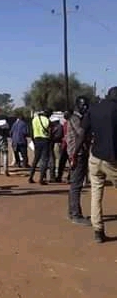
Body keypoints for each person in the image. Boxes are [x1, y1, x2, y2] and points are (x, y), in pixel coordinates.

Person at [75, 87, 117, 243]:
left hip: (95, 157)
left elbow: (82, 133)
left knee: (96, 194)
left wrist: (74, 153)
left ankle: (98, 231)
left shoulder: (94, 109)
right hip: (112, 160)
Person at [66, 96, 91, 226]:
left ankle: (72, 212)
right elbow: (82, 134)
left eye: (87, 105)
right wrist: (74, 155)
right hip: (77, 154)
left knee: (74, 184)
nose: (85, 107)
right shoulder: (76, 119)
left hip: (77, 154)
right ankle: (76, 214)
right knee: (76, 185)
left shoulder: (78, 118)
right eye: (83, 105)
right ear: (77, 105)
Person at [28, 109, 52, 185]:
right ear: (49, 114)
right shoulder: (48, 121)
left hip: (36, 140)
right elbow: (50, 133)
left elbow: (31, 131)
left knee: (35, 160)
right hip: (45, 141)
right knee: (44, 160)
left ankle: (30, 177)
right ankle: (41, 179)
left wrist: (34, 141)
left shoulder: (35, 119)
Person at [56, 111, 71, 182]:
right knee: (69, 162)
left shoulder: (65, 124)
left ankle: (60, 176)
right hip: (68, 146)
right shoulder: (70, 124)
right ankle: (69, 177)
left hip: (66, 145)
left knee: (62, 162)